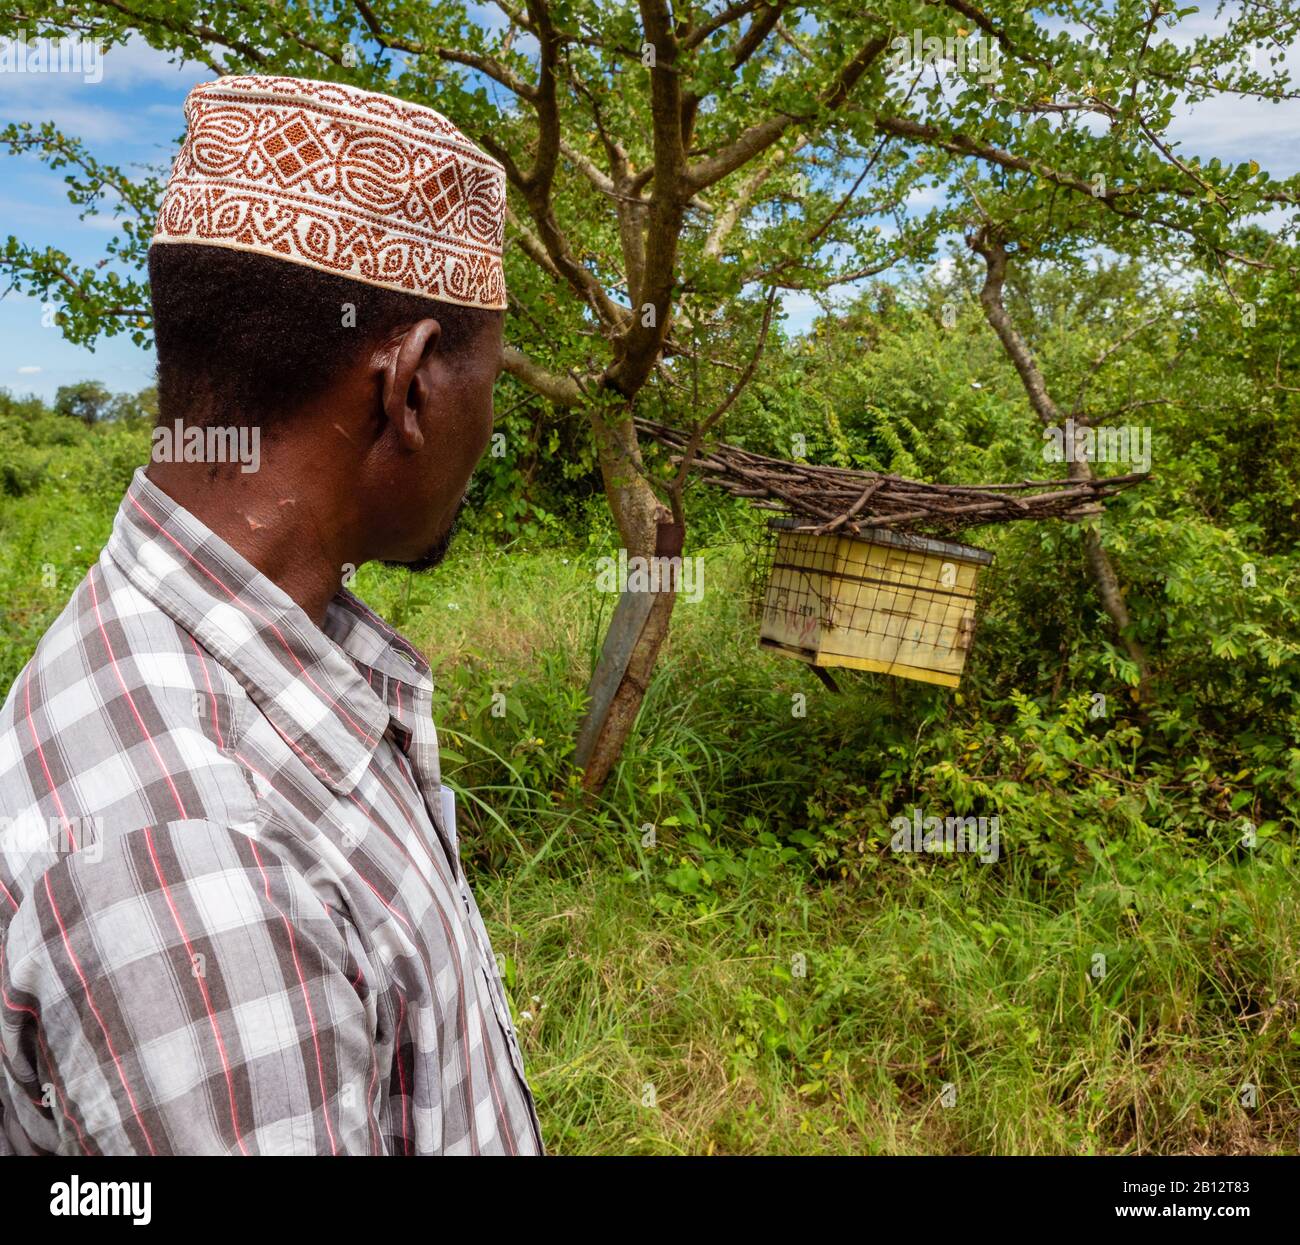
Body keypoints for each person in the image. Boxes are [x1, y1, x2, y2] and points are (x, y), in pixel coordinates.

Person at [0, 74, 542, 1155]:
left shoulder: (254, 652)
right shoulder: (197, 864)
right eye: (495, 373)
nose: (493, 420)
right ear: (412, 383)